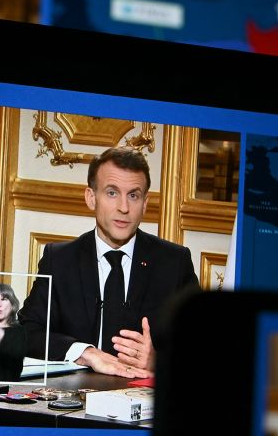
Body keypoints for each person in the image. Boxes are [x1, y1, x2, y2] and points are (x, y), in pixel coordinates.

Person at [17, 146, 198, 378]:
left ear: (145, 203)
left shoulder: (174, 262)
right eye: (112, 193)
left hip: (142, 395)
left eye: (133, 195)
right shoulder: (60, 259)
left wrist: (158, 360)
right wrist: (85, 353)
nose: (124, 208)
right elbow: (27, 331)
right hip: (75, 395)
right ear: (91, 198)